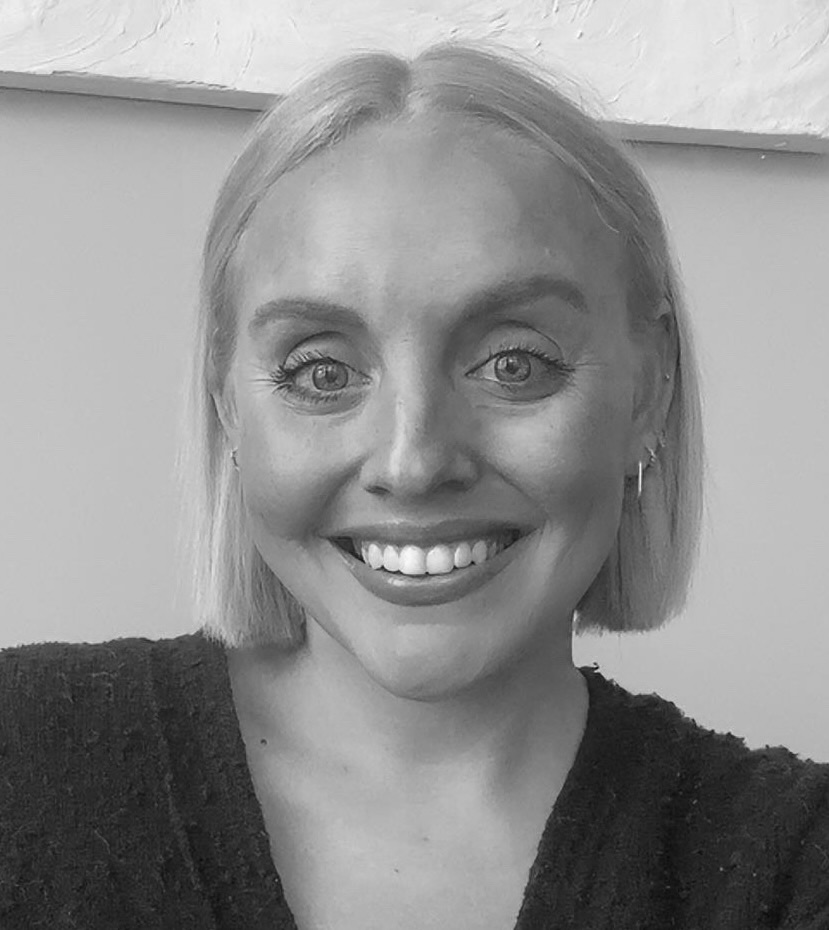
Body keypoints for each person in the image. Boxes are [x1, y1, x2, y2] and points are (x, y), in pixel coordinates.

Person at [1, 42, 827, 930]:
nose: (411, 461)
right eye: (321, 373)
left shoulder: (788, 864)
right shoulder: (21, 759)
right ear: (226, 405)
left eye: (513, 364)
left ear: (648, 389)